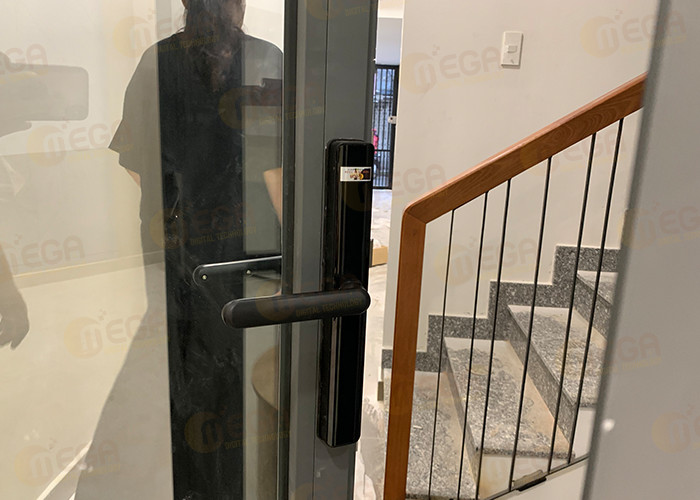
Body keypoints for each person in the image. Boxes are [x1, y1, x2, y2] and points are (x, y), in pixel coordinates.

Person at [74, 1, 283, 498]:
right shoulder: (265, 60)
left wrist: (175, 207)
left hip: (171, 248)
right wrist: (302, 251)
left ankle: (184, 482)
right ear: (239, 4)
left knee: (179, 362)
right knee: (234, 369)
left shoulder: (156, 60)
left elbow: (133, 163)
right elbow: (276, 172)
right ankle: (227, 485)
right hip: (241, 253)